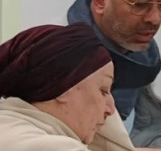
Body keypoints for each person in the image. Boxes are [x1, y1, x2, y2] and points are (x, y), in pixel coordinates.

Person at [66, 0, 161, 147]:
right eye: (140, 4)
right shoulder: (53, 55)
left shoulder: (138, 50)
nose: (154, 18)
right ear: (101, 1)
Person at [0, 23, 134, 151]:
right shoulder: (52, 146)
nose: (111, 110)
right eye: (103, 90)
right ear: (62, 88)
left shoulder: (11, 128)